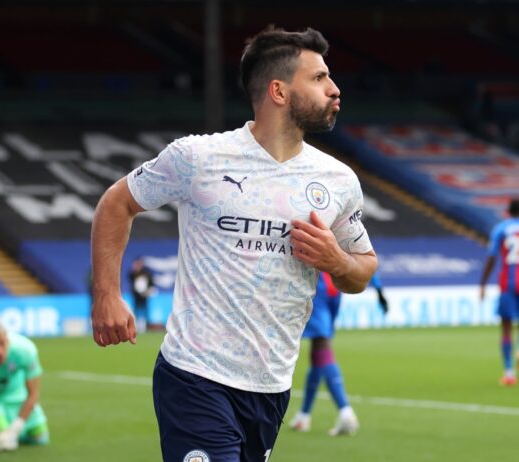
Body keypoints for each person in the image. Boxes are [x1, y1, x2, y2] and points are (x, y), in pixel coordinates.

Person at [91, 26, 377, 462]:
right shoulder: (197, 158)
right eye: (319, 78)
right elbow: (117, 202)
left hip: (270, 386)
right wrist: (107, 294)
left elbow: (363, 269)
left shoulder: (338, 180)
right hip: (194, 375)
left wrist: (336, 260)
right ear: (279, 91)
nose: (334, 88)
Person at [290, 272, 388, 436]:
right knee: (318, 353)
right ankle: (303, 416)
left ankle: (345, 412)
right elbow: (364, 256)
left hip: (317, 282)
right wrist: (378, 288)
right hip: (335, 285)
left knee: (321, 344)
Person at [0, 324, 49, 452]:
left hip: (18, 398)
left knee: (40, 439)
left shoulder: (25, 350)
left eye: (2, 343)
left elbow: (33, 394)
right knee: (0, 437)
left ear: (7, 340)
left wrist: (15, 429)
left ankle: (7, 433)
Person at [480, 198, 519, 386]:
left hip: (508, 284)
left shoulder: (501, 229)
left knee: (506, 328)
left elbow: (492, 257)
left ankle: (509, 373)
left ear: (508, 212)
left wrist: (482, 284)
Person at [128, 257, 156, 332]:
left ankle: (145, 326)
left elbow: (151, 283)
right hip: (136, 296)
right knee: (135, 310)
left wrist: (148, 291)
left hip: (144, 296)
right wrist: (135, 270)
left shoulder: (146, 273)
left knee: (145, 310)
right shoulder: (133, 273)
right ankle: (134, 326)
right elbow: (130, 278)